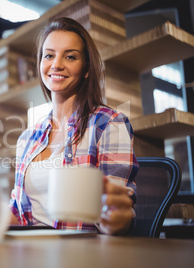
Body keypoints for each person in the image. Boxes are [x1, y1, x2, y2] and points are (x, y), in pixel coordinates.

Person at [9, 17, 138, 235]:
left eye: (70, 56)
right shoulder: (27, 138)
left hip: (82, 253)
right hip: (28, 252)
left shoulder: (109, 124)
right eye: (49, 55)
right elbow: (18, 213)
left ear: (86, 68)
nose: (56, 64)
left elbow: (114, 214)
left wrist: (114, 218)